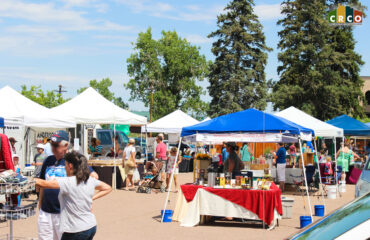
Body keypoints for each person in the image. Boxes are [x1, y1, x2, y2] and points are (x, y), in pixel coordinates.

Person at [35, 151, 112, 240]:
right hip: (91, 226)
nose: (65, 167)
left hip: (75, 230)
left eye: (65, 165)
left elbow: (43, 183)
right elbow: (108, 188)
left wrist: (25, 179)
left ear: (70, 166)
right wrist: (92, 198)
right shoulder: (89, 180)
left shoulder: (68, 182)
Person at [37, 130, 98, 240]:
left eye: (56, 145)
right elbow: (43, 183)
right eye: (52, 145)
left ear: (65, 145)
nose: (53, 148)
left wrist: (87, 201)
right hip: (46, 212)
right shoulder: (48, 160)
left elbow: (93, 176)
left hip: (65, 213)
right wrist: (40, 202)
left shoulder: (74, 160)